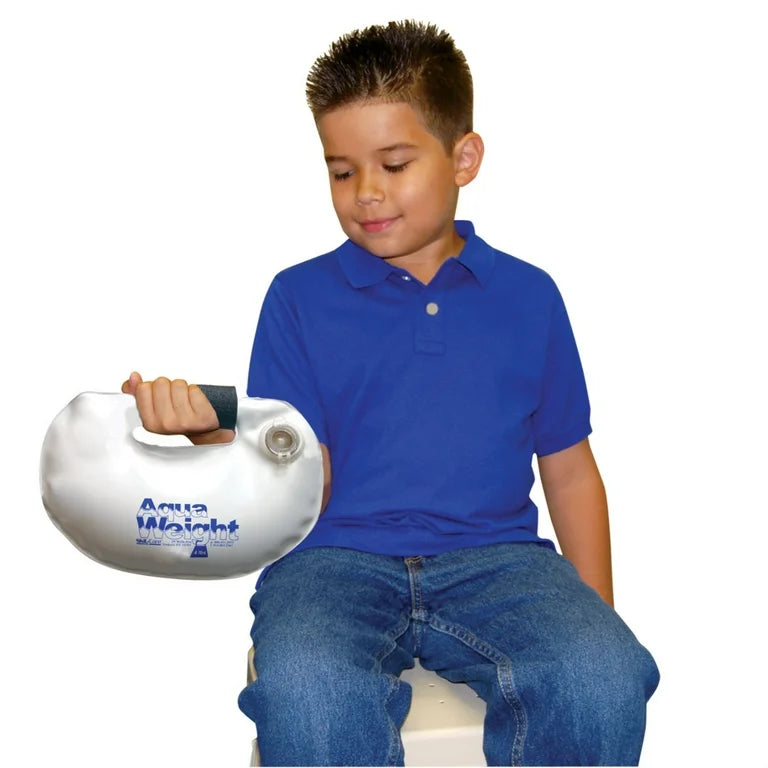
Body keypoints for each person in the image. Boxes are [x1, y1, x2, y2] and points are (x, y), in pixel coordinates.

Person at [123, 20, 659, 766]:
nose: (365, 194)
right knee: (310, 688)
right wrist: (219, 440)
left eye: (394, 163)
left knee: (602, 674)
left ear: (463, 158)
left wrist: (594, 623)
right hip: (333, 564)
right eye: (341, 171)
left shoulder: (530, 298)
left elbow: (570, 471)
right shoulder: (298, 298)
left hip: (500, 561)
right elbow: (302, 471)